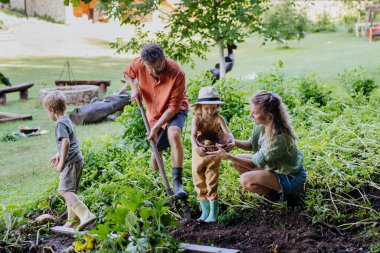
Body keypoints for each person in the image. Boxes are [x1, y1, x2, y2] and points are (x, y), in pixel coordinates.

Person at [207, 91, 306, 202]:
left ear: (269, 116)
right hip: (277, 168)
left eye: (255, 113)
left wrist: (227, 156)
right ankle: (272, 187)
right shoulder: (262, 125)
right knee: (238, 162)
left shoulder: (278, 138)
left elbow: (253, 163)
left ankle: (281, 197)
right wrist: (232, 141)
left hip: (291, 178)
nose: (251, 115)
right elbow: (251, 144)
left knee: (245, 179)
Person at [122, 43, 189, 200]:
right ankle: (158, 186)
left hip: (175, 109)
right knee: (155, 153)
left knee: (174, 134)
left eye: (157, 67)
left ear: (164, 59)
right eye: (149, 69)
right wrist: (133, 88)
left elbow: (173, 107)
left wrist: (156, 127)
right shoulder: (139, 63)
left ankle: (177, 183)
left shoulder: (177, 72)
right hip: (154, 112)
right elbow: (127, 73)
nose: (153, 72)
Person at [43, 91, 96, 230]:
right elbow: (70, 141)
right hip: (77, 160)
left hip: (71, 162)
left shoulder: (60, 124)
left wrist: (62, 162)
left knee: (64, 191)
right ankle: (72, 221)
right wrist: (58, 154)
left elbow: (66, 142)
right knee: (70, 191)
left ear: (52, 110)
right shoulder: (67, 120)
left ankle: (86, 215)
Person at [191, 87, 234, 222]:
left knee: (212, 178)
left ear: (217, 106)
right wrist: (196, 147)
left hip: (214, 150)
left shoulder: (218, 118)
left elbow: (228, 133)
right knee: (198, 177)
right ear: (200, 107)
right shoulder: (197, 118)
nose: (210, 111)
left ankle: (213, 213)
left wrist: (231, 142)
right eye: (206, 109)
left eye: (213, 108)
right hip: (200, 151)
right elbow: (192, 136)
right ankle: (205, 211)